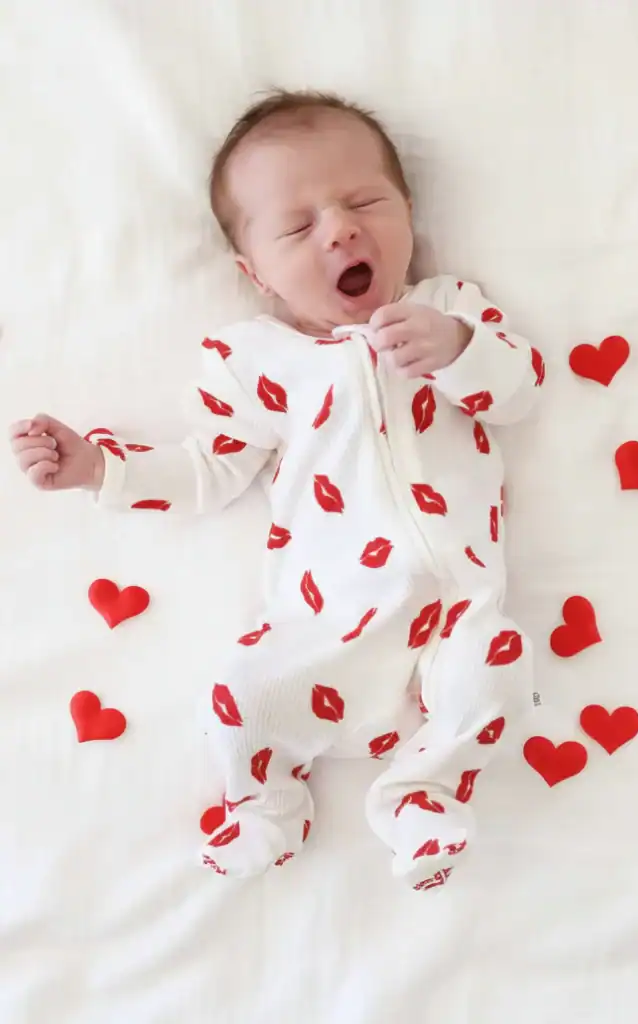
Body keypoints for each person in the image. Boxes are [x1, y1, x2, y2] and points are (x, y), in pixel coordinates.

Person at [8, 89, 545, 892]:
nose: (339, 229)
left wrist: (459, 349)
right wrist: (103, 469)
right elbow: (206, 469)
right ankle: (265, 806)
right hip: (325, 625)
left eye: (365, 201)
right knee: (237, 697)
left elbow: (519, 390)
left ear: (406, 212)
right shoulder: (257, 362)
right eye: (298, 228)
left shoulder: (447, 308)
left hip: (457, 616)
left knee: (498, 676)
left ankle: (419, 790)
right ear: (252, 271)